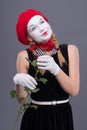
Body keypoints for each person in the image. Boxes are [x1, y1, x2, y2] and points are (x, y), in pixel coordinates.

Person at [13, 9, 80, 130]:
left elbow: (74, 91)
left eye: (42, 22)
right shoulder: (24, 56)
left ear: (48, 23)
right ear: (29, 37)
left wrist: (56, 70)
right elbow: (22, 100)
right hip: (37, 117)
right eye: (33, 28)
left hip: (62, 116)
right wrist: (18, 81)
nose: (41, 28)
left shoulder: (70, 50)